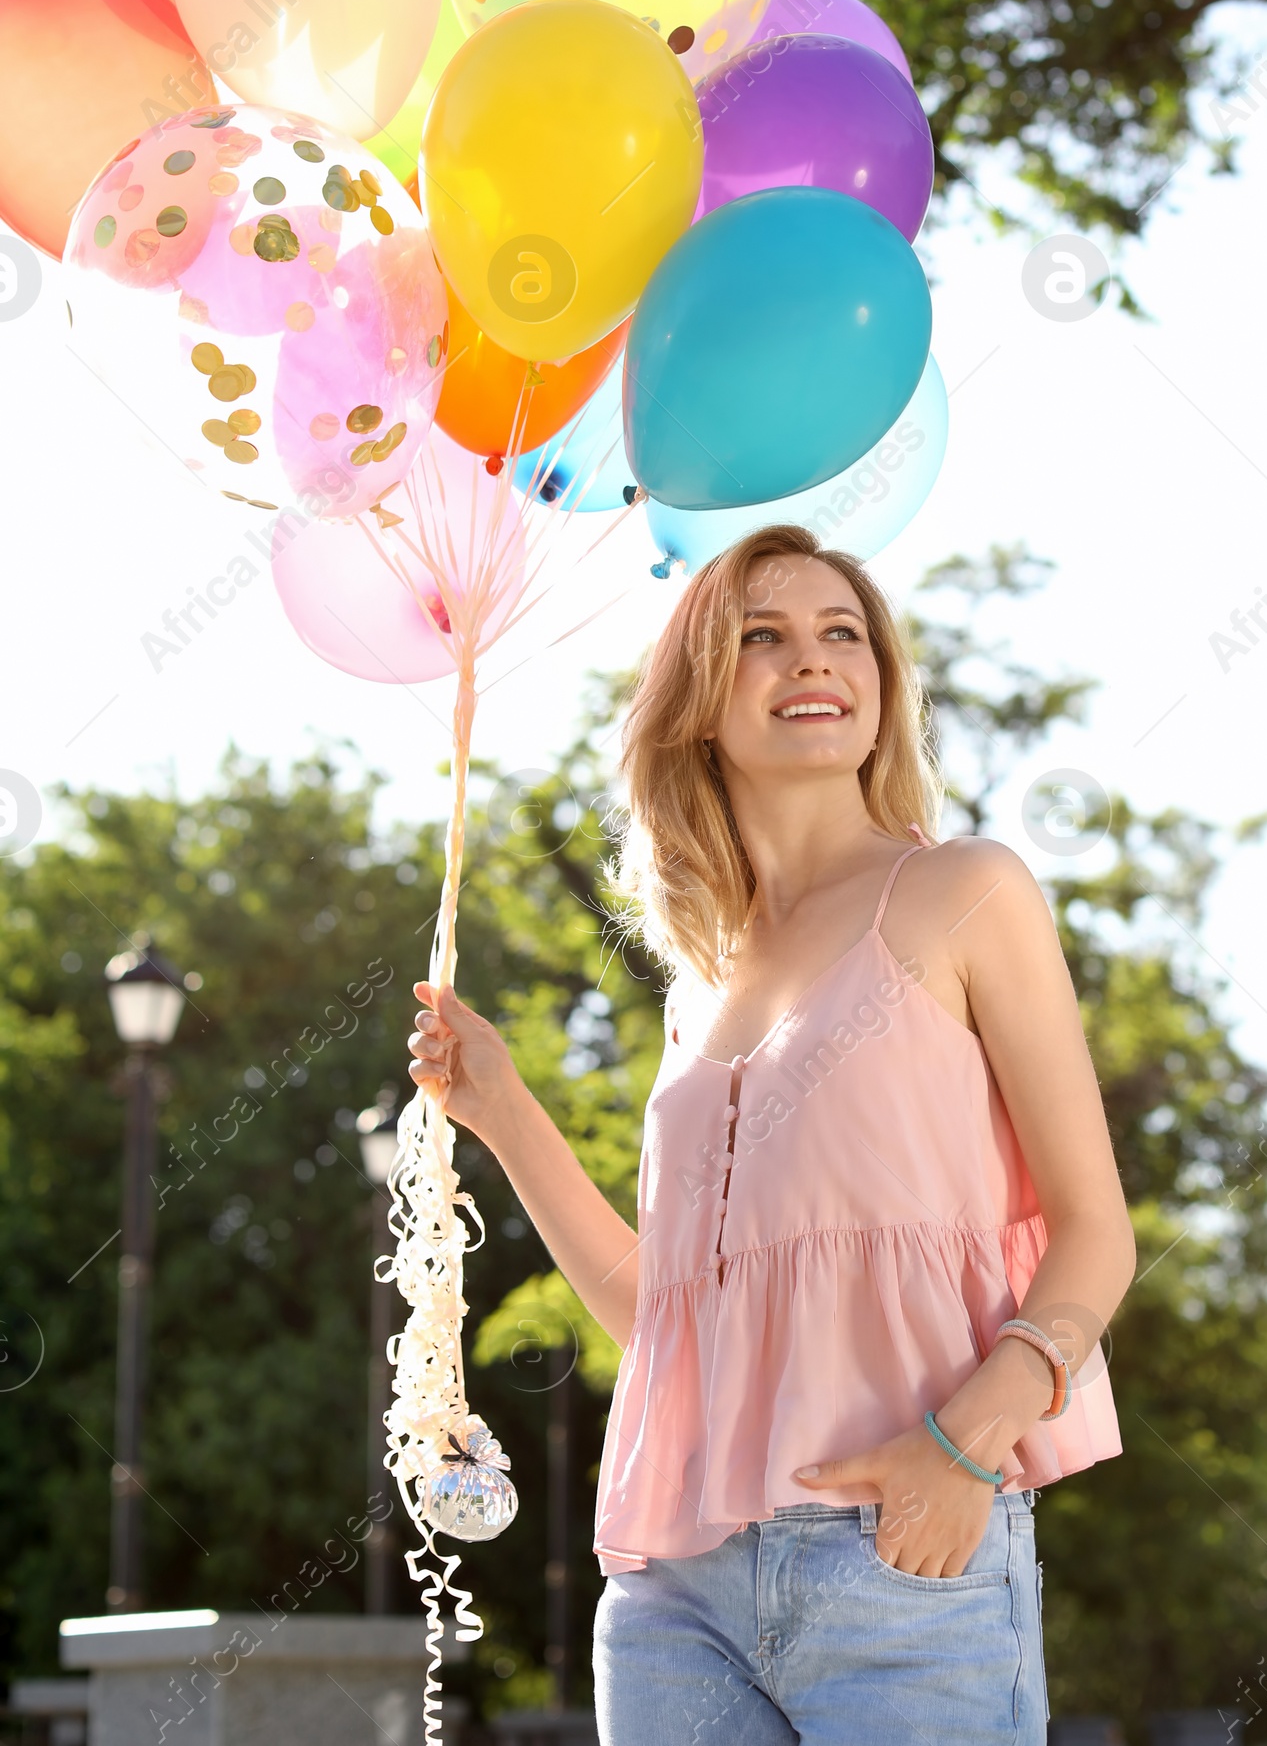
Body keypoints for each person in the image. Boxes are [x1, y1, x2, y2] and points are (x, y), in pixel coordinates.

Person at [408, 523, 1135, 1744]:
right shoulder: (704, 983)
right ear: (697, 704)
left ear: (880, 682)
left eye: (840, 633)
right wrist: (502, 1109)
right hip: (674, 1593)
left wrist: (961, 1449)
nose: (813, 660)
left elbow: (1095, 1237)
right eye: (763, 638)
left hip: (907, 1561)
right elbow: (668, 1319)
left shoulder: (968, 891)